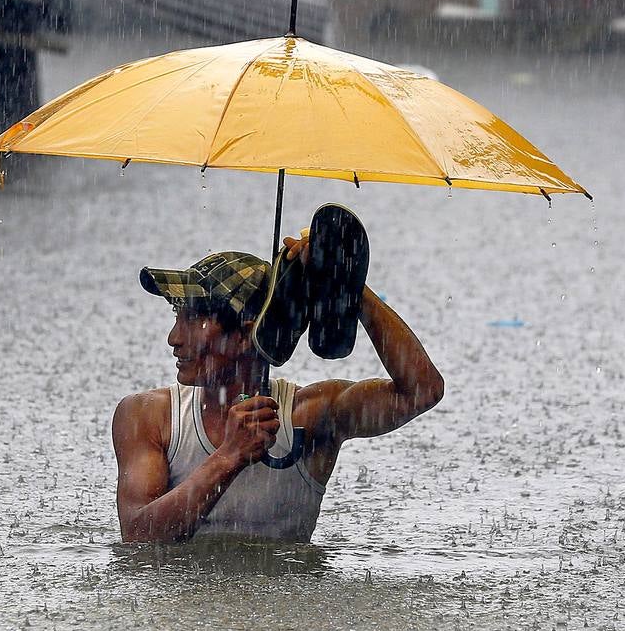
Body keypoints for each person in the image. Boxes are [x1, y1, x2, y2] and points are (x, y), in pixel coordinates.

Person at [112, 225, 444, 544]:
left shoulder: (310, 416)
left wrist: (347, 280)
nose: (174, 338)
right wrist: (229, 456)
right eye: (177, 316)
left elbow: (422, 391)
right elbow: (139, 536)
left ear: (245, 334)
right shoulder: (147, 416)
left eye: (194, 319)